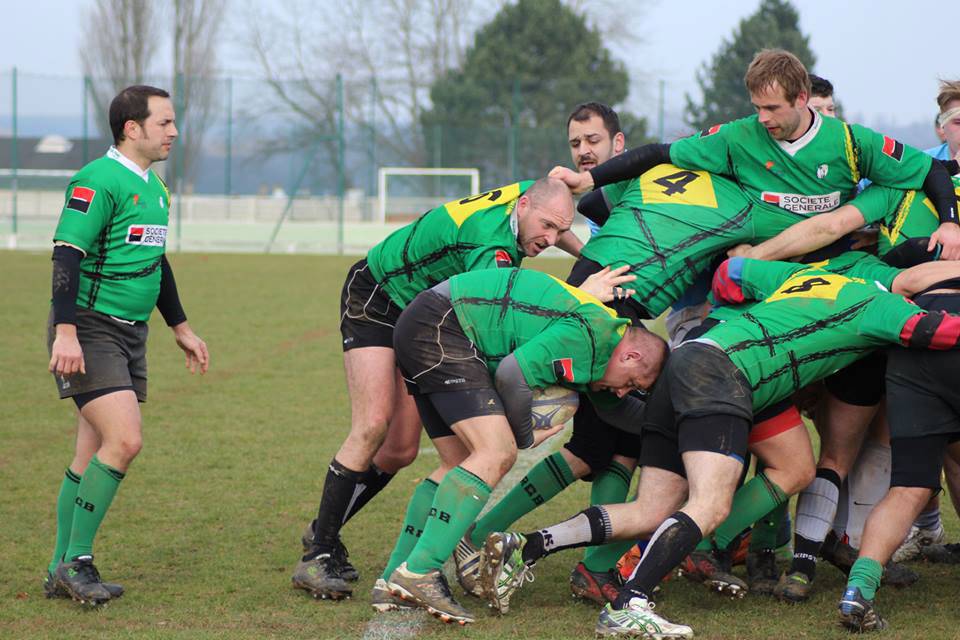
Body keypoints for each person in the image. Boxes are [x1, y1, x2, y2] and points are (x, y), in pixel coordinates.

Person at [480, 252, 960, 637]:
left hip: (692, 359)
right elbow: (942, 331)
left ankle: (526, 545)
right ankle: (631, 604)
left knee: (673, 502)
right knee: (709, 502)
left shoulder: (809, 277)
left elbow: (731, 276)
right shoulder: (883, 304)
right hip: (725, 378)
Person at [292, 177, 580, 600]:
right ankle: (318, 555)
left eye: (560, 231)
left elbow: (552, 191)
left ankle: (324, 527)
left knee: (399, 451)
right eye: (548, 227)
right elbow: (487, 325)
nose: (551, 239)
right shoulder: (489, 247)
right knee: (372, 425)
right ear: (523, 205)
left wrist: (585, 250)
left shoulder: (523, 205)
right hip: (377, 295)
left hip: (419, 314)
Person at [379, 266, 667, 625]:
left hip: (428, 322)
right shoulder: (592, 334)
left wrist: (679, 433)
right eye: (632, 382)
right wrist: (522, 437)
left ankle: (391, 577)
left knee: (457, 461)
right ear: (631, 357)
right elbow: (513, 374)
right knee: (496, 452)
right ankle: (421, 570)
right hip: (443, 326)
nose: (625, 391)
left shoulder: (604, 344)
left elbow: (620, 413)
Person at [551, 48, 960, 260]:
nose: (761, 118)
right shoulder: (736, 137)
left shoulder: (853, 142)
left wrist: (949, 223)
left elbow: (929, 170)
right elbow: (660, 153)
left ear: (802, 99)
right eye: (756, 107)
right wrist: (588, 180)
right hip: (760, 265)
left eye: (772, 109)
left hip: (837, 262)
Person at [45, 85, 209, 606]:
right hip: (89, 328)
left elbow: (155, 261)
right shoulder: (97, 179)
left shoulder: (155, 188)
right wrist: (67, 332)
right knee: (125, 441)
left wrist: (179, 327)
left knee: (89, 451)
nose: (174, 132)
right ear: (131, 129)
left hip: (130, 332)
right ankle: (78, 562)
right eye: (164, 122)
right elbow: (66, 254)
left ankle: (58, 568)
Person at [838, 275, 960, 632]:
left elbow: (894, 289)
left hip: (915, 340)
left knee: (908, 487)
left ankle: (857, 589)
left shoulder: (922, 252)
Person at [567, 101, 626, 237]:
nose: (582, 151)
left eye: (593, 141)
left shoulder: (639, 183)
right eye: (575, 144)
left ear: (618, 143)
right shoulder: (594, 192)